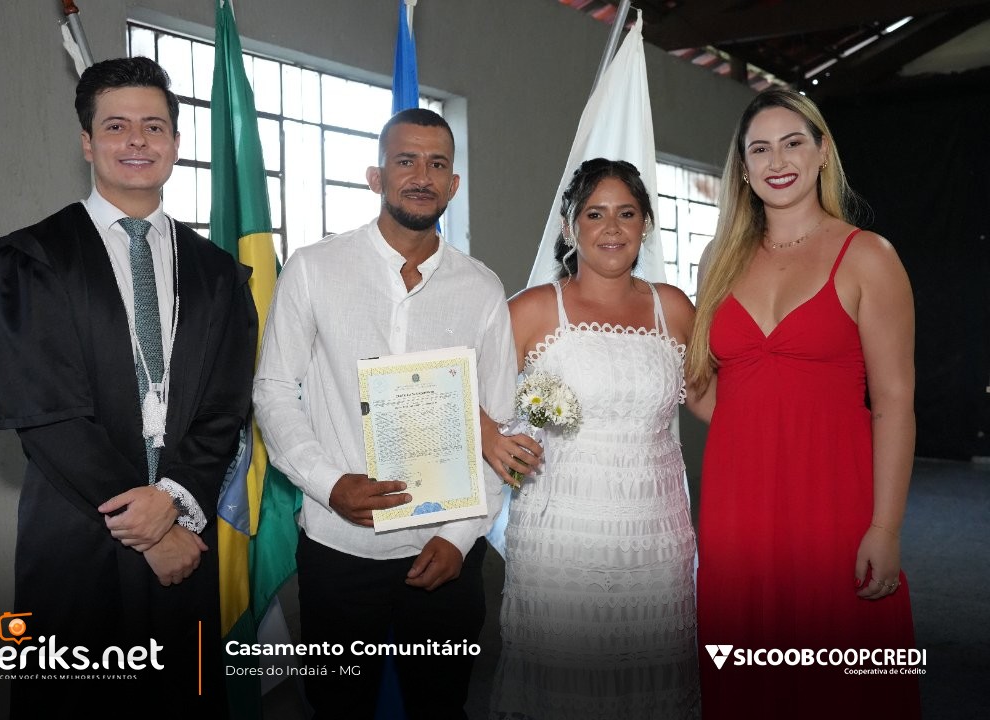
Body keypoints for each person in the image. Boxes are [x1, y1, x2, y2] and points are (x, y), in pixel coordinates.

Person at [0, 57, 256, 713]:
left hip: (185, 531)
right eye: (116, 126)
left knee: (184, 694)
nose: (137, 141)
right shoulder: (32, 260)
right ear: (87, 142)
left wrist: (174, 503)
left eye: (154, 127)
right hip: (78, 533)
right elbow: (44, 412)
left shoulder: (217, 273)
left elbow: (224, 407)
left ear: (175, 144)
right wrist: (150, 529)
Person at [252, 107, 517, 719]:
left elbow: (501, 425)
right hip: (339, 547)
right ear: (376, 176)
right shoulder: (314, 268)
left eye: (437, 164)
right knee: (338, 708)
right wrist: (329, 484)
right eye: (405, 161)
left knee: (440, 709)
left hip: (446, 553)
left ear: (454, 184)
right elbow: (273, 390)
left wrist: (459, 538)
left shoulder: (481, 289)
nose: (422, 176)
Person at [688, 88, 919, 717]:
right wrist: (760, 429)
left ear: (822, 153)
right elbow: (703, 388)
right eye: (760, 149)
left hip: (833, 502)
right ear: (743, 168)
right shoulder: (717, 260)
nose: (778, 161)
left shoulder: (868, 255)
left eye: (793, 143)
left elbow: (895, 402)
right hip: (737, 508)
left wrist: (886, 527)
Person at [486, 158, 705, 719]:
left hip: (656, 535)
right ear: (569, 227)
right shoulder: (533, 309)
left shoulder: (673, 308)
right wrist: (492, 438)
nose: (612, 228)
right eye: (595, 214)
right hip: (563, 536)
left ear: (645, 225)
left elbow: (712, 401)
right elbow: (463, 393)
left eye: (626, 214)